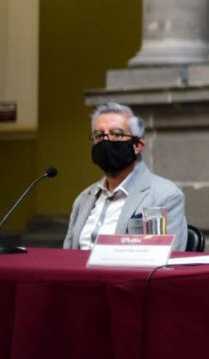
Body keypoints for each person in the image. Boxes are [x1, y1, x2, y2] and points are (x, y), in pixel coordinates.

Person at [65, 102, 188, 251]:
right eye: (99, 135)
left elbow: (165, 259)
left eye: (116, 134)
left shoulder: (164, 196)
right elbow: (67, 253)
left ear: (138, 145)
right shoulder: (84, 198)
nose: (106, 141)